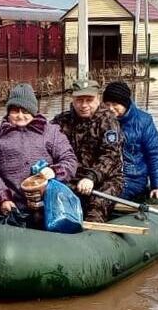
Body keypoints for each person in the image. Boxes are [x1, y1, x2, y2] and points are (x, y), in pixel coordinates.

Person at [0, 83, 78, 224]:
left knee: (39, 219)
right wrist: (3, 198)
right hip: (9, 196)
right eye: (15, 111)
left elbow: (70, 160)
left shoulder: (51, 132)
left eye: (25, 111)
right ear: (8, 112)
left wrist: (53, 171)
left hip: (41, 198)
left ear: (33, 112)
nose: (20, 116)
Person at [52, 79, 124, 222]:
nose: (84, 105)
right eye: (79, 100)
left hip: (105, 180)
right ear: (72, 99)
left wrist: (91, 178)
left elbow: (110, 156)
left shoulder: (108, 121)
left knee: (96, 210)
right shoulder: (62, 121)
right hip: (72, 178)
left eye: (89, 100)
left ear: (98, 99)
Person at [101, 81, 158, 201]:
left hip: (132, 178)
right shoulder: (101, 120)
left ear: (125, 103)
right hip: (105, 176)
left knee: (106, 196)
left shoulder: (144, 121)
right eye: (107, 104)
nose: (110, 108)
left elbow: (154, 154)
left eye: (115, 104)